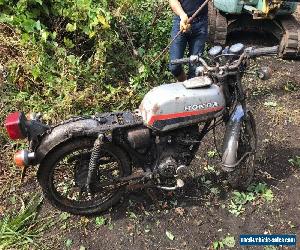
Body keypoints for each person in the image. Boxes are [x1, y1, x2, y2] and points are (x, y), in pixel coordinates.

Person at [169, 0, 208, 81]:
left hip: (200, 23)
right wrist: (182, 15)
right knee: (174, 66)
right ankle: (184, 83)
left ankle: (191, 89)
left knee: (195, 69)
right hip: (180, 22)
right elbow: (173, 1)